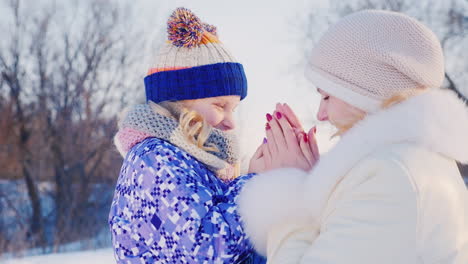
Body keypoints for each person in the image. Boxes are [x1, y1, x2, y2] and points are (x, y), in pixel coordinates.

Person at [240, 10, 468, 263]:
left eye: (326, 96)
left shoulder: (391, 176)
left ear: (366, 93)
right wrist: (318, 188)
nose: (320, 113)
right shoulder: (412, 165)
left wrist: (286, 190)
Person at [108, 8, 265, 264]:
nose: (231, 122)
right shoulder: (154, 160)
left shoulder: (200, 160)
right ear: (180, 102)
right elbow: (204, 251)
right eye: (219, 105)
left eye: (234, 108)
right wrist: (254, 184)